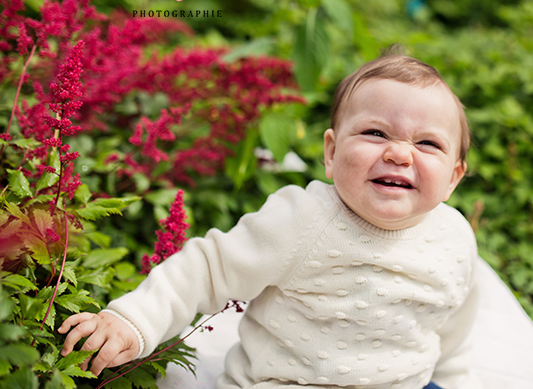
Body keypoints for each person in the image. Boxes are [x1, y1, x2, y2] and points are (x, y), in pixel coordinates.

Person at [59, 46, 482, 389]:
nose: (399, 153)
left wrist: (451, 382)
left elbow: (452, 326)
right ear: (331, 154)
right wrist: (134, 320)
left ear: (453, 178)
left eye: (427, 143)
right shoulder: (303, 219)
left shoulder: (454, 238)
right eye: (375, 133)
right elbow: (207, 270)